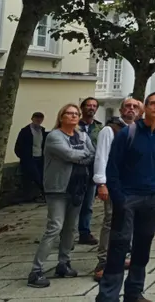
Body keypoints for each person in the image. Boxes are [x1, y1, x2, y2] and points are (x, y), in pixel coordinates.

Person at [95, 92, 155, 302]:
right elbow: (113, 169)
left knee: (142, 247)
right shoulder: (127, 134)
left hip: (152, 199)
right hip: (128, 198)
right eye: (153, 103)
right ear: (144, 108)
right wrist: (120, 199)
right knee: (119, 248)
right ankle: (107, 296)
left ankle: (134, 292)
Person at [28, 104, 95, 288]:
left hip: (78, 187)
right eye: (70, 113)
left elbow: (92, 154)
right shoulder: (54, 136)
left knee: (70, 228)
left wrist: (81, 155)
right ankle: (36, 271)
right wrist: (83, 155)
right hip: (58, 188)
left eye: (76, 114)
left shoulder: (82, 135)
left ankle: (63, 263)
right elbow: (68, 154)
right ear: (62, 116)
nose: (73, 116)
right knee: (55, 227)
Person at [92, 98, 140, 282]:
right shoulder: (109, 130)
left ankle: (120, 255)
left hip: (134, 184)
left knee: (128, 221)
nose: (131, 109)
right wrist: (101, 183)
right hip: (115, 183)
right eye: (128, 106)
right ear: (121, 110)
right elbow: (101, 156)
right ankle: (103, 261)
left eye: (135, 107)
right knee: (111, 220)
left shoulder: (138, 129)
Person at [78, 97, 103, 245]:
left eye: (94, 106)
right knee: (73, 204)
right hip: (75, 170)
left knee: (88, 204)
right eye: (88, 105)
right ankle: (66, 232)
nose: (91, 108)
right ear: (82, 108)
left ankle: (84, 232)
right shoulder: (74, 125)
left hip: (92, 171)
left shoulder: (100, 128)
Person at [15, 112, 47, 197]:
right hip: (30, 159)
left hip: (40, 158)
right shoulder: (25, 131)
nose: (38, 120)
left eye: (40, 118)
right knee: (36, 177)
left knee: (42, 176)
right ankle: (44, 194)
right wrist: (25, 157)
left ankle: (40, 195)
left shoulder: (42, 131)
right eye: (36, 118)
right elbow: (18, 146)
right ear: (32, 119)